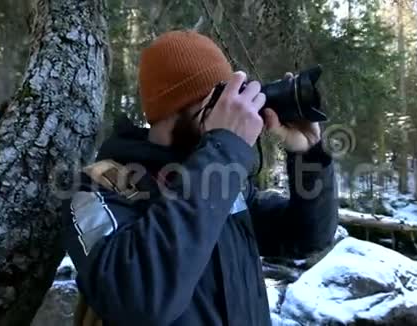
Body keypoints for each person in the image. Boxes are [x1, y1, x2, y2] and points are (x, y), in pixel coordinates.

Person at [62, 30, 338, 326]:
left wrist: (309, 156)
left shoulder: (222, 178)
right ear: (171, 110)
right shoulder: (100, 187)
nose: (230, 111)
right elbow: (139, 300)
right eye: (218, 101)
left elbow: (307, 237)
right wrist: (224, 148)